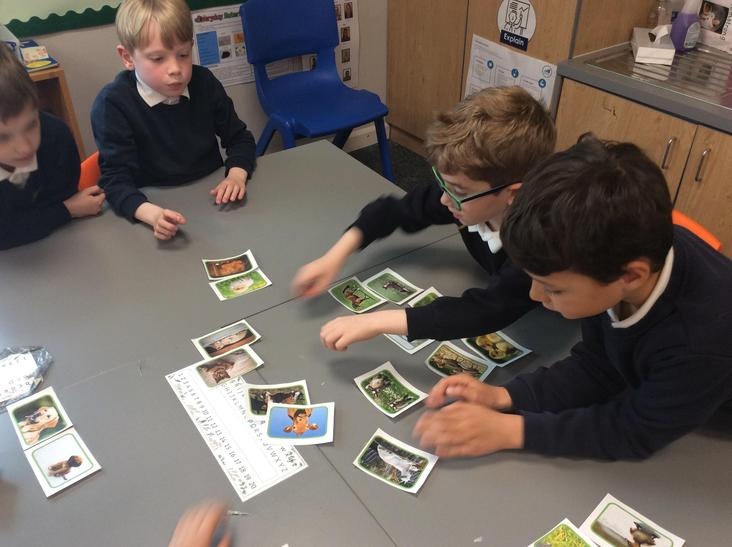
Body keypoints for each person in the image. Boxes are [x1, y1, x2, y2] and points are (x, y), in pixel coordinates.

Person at [413, 136, 732, 460]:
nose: (535, 295)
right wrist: (504, 396)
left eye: (554, 289)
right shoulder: (609, 253)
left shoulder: (702, 339)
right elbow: (598, 364)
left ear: (631, 276)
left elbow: (635, 431)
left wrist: (511, 430)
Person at [292, 86, 555, 350]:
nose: (444, 200)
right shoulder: (468, 198)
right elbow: (393, 211)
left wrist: (376, 322)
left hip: (553, 321)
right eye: (444, 184)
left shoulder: (539, 242)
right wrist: (333, 258)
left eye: (458, 191)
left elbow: (484, 312)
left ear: (512, 194)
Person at [91, 0, 256, 240]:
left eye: (183, 54)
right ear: (127, 57)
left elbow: (240, 138)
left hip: (213, 203)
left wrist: (236, 176)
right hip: (153, 211)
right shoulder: (113, 104)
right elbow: (115, 180)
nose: (175, 69)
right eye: (158, 58)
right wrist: (150, 214)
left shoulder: (204, 83)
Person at [0, 44, 105, 250]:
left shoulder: (56, 137)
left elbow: (64, 201)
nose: (25, 148)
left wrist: (62, 210)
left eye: (31, 125)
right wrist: (66, 210)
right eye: (2, 137)